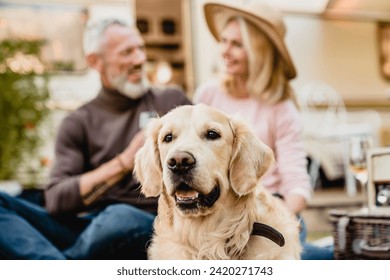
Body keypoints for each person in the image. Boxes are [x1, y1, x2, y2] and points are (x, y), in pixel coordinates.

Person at [0, 17, 191, 259]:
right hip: (88, 227)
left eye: (140, 48)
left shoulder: (170, 101)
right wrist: (123, 162)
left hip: (150, 222)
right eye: (127, 52)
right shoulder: (78, 122)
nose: (140, 59)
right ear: (95, 61)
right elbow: (56, 199)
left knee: (120, 216)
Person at [195, 0, 333, 259]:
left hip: (269, 207)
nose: (225, 50)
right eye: (224, 41)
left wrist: (277, 216)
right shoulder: (208, 95)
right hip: (218, 209)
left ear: (259, 51)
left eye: (237, 44)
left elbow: (297, 185)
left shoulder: (281, 109)